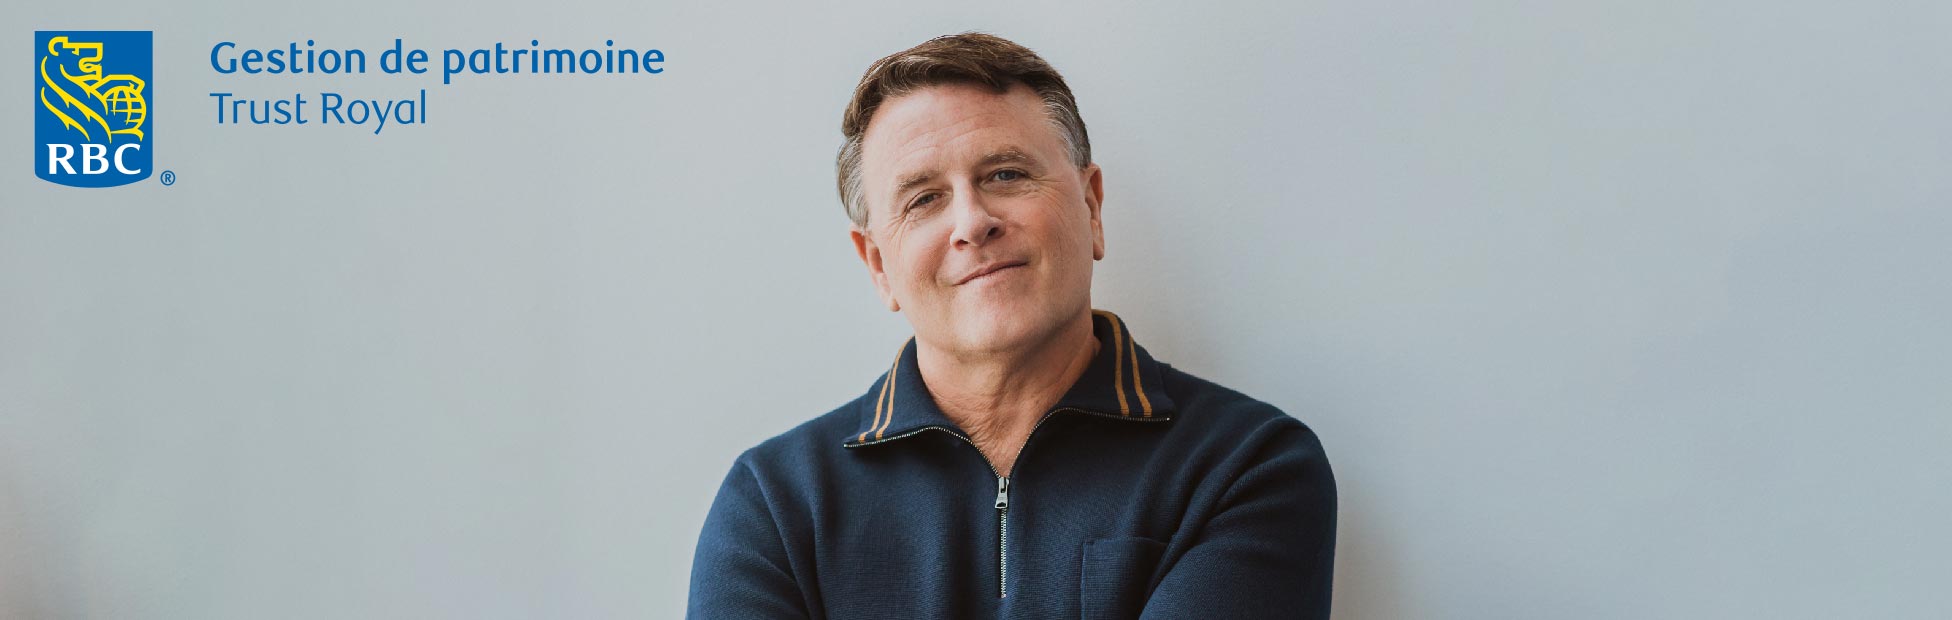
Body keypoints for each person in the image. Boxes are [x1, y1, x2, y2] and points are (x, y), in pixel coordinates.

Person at [687, 32, 1336, 619]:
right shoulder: (775, 505)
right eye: (924, 199)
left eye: (1006, 174)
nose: (972, 223)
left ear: (1092, 207)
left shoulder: (1247, 465)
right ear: (879, 265)